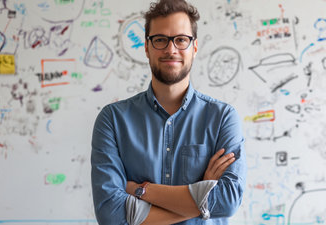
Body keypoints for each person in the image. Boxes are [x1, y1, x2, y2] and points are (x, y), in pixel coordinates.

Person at [90, 0, 246, 224]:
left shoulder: (222, 118)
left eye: (181, 40)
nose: (171, 49)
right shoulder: (113, 120)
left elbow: (228, 201)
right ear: (146, 47)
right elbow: (110, 214)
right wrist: (201, 195)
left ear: (194, 46)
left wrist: (142, 191)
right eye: (160, 40)